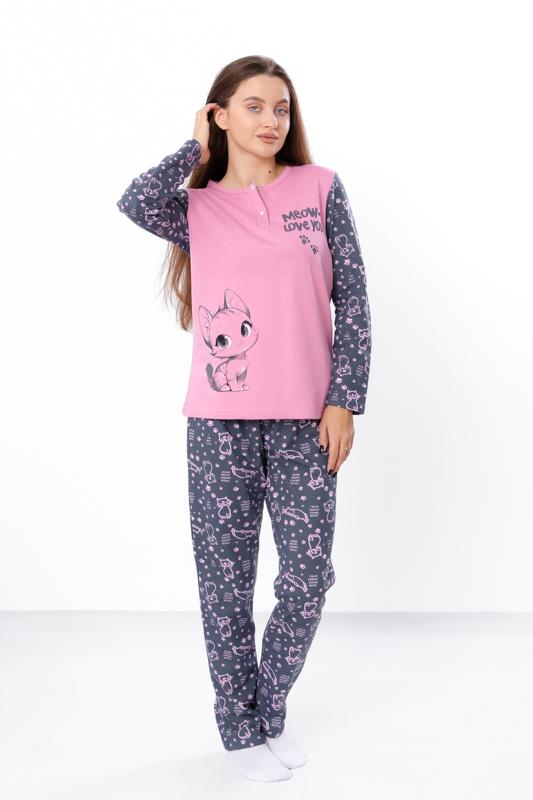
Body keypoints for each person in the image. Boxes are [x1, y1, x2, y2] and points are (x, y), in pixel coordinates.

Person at [116, 54, 372, 783]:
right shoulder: (194, 208)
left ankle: (267, 711)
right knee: (225, 588)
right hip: (218, 428)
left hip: (306, 424)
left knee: (307, 578)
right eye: (253, 106)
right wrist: (192, 149)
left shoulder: (320, 189)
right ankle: (240, 730)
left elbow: (352, 297)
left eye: (281, 108)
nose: (271, 121)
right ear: (220, 114)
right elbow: (134, 200)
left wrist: (344, 399)